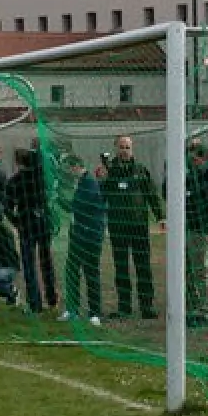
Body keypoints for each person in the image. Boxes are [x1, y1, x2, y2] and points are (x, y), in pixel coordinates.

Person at [97, 136, 163, 320]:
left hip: (139, 226)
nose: (124, 150)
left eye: (128, 147)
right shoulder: (109, 172)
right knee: (121, 268)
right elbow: (101, 197)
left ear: (132, 149)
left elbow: (152, 195)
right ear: (116, 149)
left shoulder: (141, 170)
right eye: (121, 147)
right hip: (118, 227)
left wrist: (161, 216)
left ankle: (146, 306)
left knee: (143, 266)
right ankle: (124, 307)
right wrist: (101, 180)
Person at [6, 147, 58, 314]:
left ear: (18, 162)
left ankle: (35, 303)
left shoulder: (15, 181)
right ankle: (51, 298)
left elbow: (7, 207)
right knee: (46, 261)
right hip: (42, 223)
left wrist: (16, 222)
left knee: (29, 265)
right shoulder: (41, 178)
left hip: (26, 225)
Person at [58, 154, 105, 325]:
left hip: (90, 236)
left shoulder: (90, 183)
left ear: (76, 167)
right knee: (72, 271)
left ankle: (95, 313)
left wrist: (57, 197)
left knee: (91, 272)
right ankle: (72, 310)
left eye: (69, 169)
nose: (69, 173)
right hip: (77, 235)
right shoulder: (79, 183)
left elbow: (77, 206)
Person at [182, 140, 208, 328]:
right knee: (189, 270)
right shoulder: (190, 175)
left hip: (203, 228)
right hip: (190, 226)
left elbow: (202, 196)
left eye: (195, 159)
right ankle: (195, 307)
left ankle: (205, 310)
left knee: (201, 270)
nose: (192, 163)